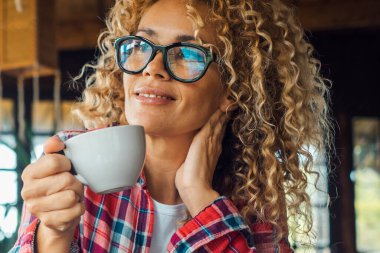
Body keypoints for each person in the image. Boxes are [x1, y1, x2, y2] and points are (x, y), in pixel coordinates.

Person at [10, 0, 333, 252]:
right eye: (139, 46)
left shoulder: (253, 197)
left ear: (233, 89)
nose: (152, 68)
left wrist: (198, 194)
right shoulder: (73, 162)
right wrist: (54, 234)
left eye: (187, 54)